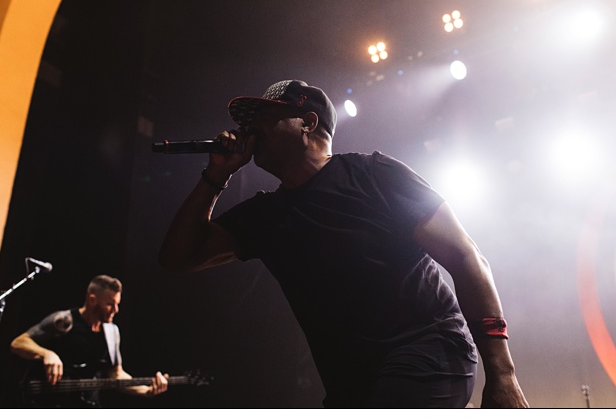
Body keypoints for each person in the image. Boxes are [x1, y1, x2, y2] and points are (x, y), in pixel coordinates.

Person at [158, 79, 528, 408]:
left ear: (309, 123)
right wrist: (216, 175)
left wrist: (503, 376)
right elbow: (178, 257)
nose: (249, 129)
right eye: (248, 121)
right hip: (352, 381)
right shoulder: (265, 216)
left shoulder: (373, 174)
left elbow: (466, 256)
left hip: (429, 350)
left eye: (264, 117)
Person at [9, 275, 167, 408]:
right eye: (110, 304)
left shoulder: (112, 332)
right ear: (92, 300)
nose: (116, 310)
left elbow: (116, 374)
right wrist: (46, 354)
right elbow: (18, 342)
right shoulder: (65, 320)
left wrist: (146, 390)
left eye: (117, 304)